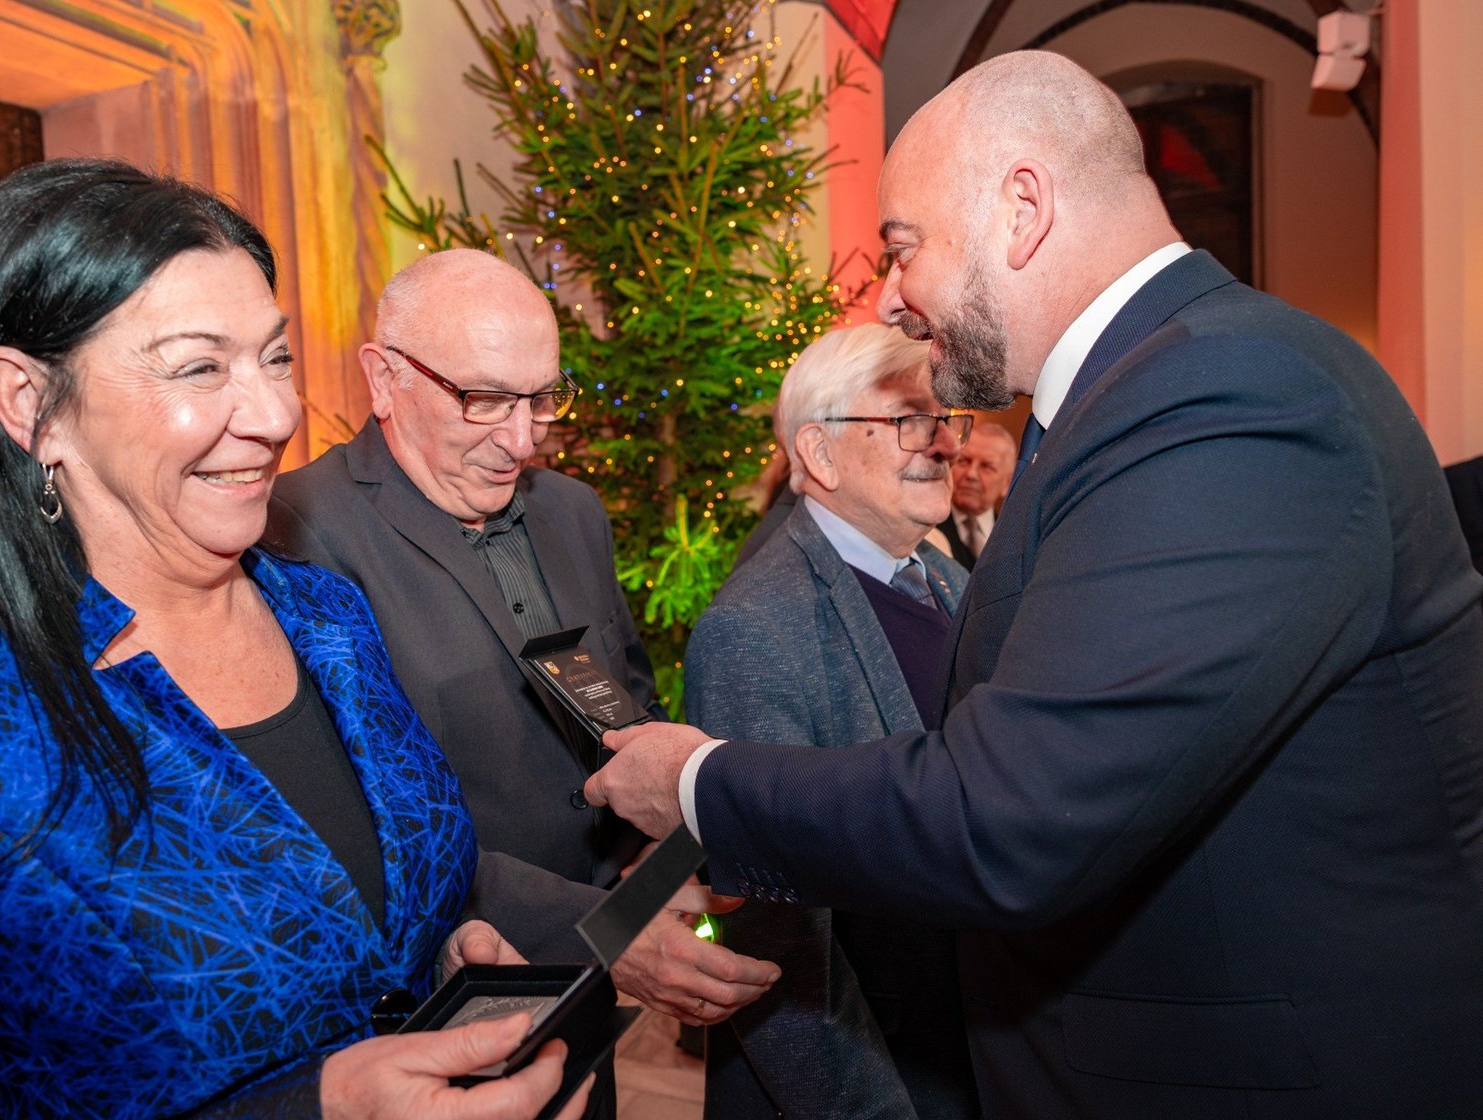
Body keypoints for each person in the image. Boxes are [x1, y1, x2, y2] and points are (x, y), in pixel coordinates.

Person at [587, 50, 1483, 1119]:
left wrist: (699, 783)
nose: (890, 296)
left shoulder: (1222, 395)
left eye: (903, 248)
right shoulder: (1138, 394)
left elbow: (1011, 814)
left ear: (1022, 207)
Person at [0, 159, 589, 1120]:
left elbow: (358, 912)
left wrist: (434, 963)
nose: (276, 415)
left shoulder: (326, 617)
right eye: (199, 367)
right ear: (30, 403)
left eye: (276, 357)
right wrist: (322, 1109)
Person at [262, 249, 778, 1092]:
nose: (522, 439)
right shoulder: (298, 527)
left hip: (591, 993)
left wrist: (663, 854)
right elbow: (359, 825)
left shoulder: (571, 510)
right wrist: (600, 929)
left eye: (541, 397)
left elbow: (624, 699)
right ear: (385, 378)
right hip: (441, 1002)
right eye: (486, 399)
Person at [685, 323, 976, 1120]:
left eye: (943, 419)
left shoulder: (946, 579)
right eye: (908, 421)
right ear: (818, 452)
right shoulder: (754, 627)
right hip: (875, 1078)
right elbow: (776, 944)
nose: (944, 444)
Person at [935, 423, 1015, 570]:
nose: (971, 474)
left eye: (986, 466)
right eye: (964, 461)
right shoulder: (928, 527)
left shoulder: (1015, 542)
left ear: (1007, 483)